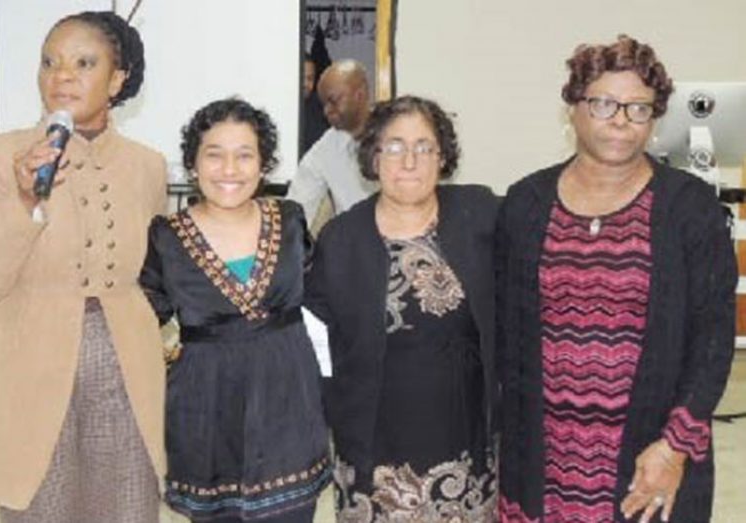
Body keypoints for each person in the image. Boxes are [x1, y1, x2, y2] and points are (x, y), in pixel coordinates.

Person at [496, 35, 736, 523]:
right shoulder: (525, 203)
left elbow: (713, 337)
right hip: (543, 462)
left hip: (649, 461)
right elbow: (503, 335)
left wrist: (674, 447)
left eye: (639, 108)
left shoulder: (689, 209)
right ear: (574, 108)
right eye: (605, 103)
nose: (621, 120)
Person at [0, 11, 167, 522]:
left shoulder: (147, 165)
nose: (62, 76)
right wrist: (26, 200)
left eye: (83, 62)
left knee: (126, 507)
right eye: (49, 62)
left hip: (126, 369)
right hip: (29, 367)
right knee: (42, 509)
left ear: (118, 80)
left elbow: (157, 274)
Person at [305, 95, 499, 521]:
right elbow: (314, 339)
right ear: (374, 157)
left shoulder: (481, 215)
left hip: (466, 446)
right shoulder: (340, 239)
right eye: (394, 146)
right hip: (373, 450)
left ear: (442, 157)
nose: (408, 160)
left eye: (423, 147)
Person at [139, 98, 331, 523]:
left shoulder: (291, 220)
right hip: (206, 412)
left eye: (245, 155)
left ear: (264, 165)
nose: (230, 169)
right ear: (192, 164)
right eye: (214, 154)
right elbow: (137, 319)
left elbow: (328, 302)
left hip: (290, 407)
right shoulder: (166, 237)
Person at [287, 59, 376, 224]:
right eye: (323, 104)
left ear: (360, 94)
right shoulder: (326, 148)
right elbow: (299, 206)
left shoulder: (396, 133)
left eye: (333, 101)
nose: (327, 110)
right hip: (354, 243)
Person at [300, 54, 329, 158]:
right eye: (301, 77)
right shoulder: (278, 105)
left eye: (310, 78)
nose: (305, 84)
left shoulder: (322, 107)